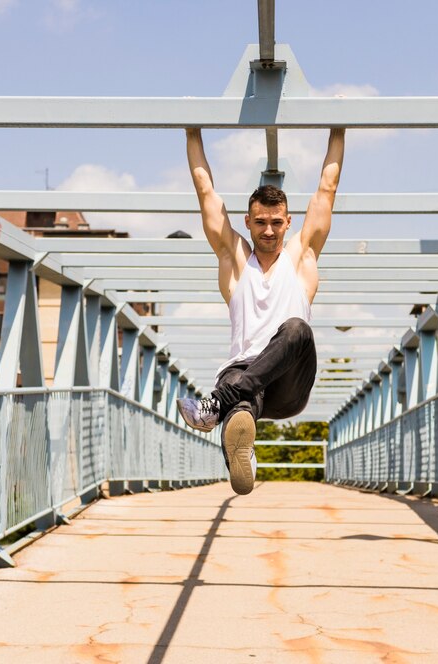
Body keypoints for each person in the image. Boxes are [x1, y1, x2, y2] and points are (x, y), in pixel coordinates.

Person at [177, 127, 346, 495]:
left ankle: (215, 406)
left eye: (276, 222)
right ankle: (242, 450)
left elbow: (327, 189)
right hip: (244, 382)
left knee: (297, 329)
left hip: (289, 384)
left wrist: (338, 127)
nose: (268, 231)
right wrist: (193, 134)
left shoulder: (302, 257)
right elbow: (205, 192)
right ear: (248, 222)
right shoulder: (235, 260)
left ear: (288, 222)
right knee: (239, 399)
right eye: (260, 222)